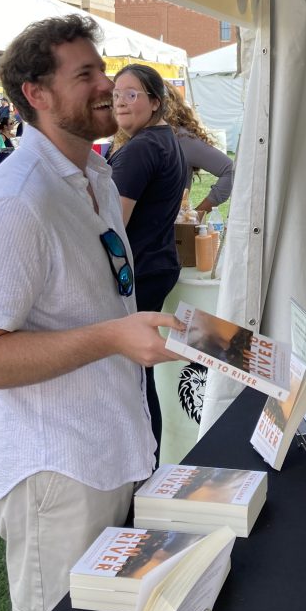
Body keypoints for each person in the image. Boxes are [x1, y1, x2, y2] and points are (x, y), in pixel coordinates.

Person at [0, 13, 184, 611]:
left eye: (102, 69)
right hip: (58, 473)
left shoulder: (96, 174)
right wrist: (112, 337)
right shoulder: (16, 201)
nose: (107, 84)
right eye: (86, 74)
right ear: (37, 94)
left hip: (112, 449)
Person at [108, 63, 188, 454]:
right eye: (116, 94)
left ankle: (144, 461)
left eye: (132, 94)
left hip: (138, 271)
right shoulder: (163, 139)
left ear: (155, 101)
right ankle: (147, 458)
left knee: (133, 374)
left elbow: (112, 225)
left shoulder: (140, 148)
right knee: (139, 372)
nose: (121, 102)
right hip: (156, 264)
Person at [161, 82, 234, 214]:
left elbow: (230, 170)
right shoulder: (126, 139)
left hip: (169, 229)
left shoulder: (181, 138)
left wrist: (198, 213)